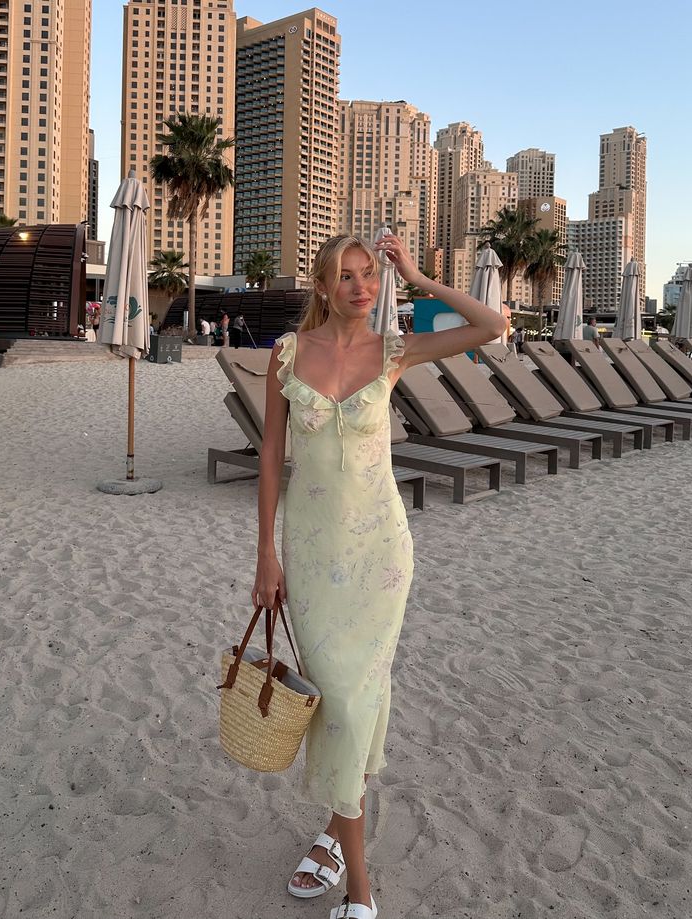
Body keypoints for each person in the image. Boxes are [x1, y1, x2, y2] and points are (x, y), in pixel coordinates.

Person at [252, 233, 506, 919]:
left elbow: (492, 325)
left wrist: (420, 277)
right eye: (346, 275)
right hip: (311, 554)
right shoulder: (287, 353)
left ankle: (359, 890)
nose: (362, 286)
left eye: (369, 274)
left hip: (381, 555)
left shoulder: (396, 350)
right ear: (322, 286)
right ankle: (337, 835)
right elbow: (271, 456)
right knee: (340, 700)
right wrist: (266, 553)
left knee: (353, 700)